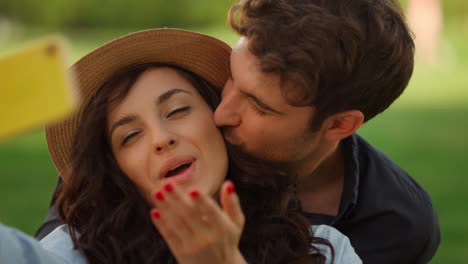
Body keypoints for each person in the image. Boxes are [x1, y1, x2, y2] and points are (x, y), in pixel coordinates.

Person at [36, 28, 361, 264]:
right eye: (130, 136)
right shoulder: (64, 255)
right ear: (117, 169)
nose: (162, 139)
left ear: (218, 119)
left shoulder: (324, 251)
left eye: (177, 110)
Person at [211, 0, 440, 263]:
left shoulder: (398, 226)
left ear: (339, 125)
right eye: (231, 75)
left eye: (258, 106)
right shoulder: (191, 151)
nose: (220, 114)